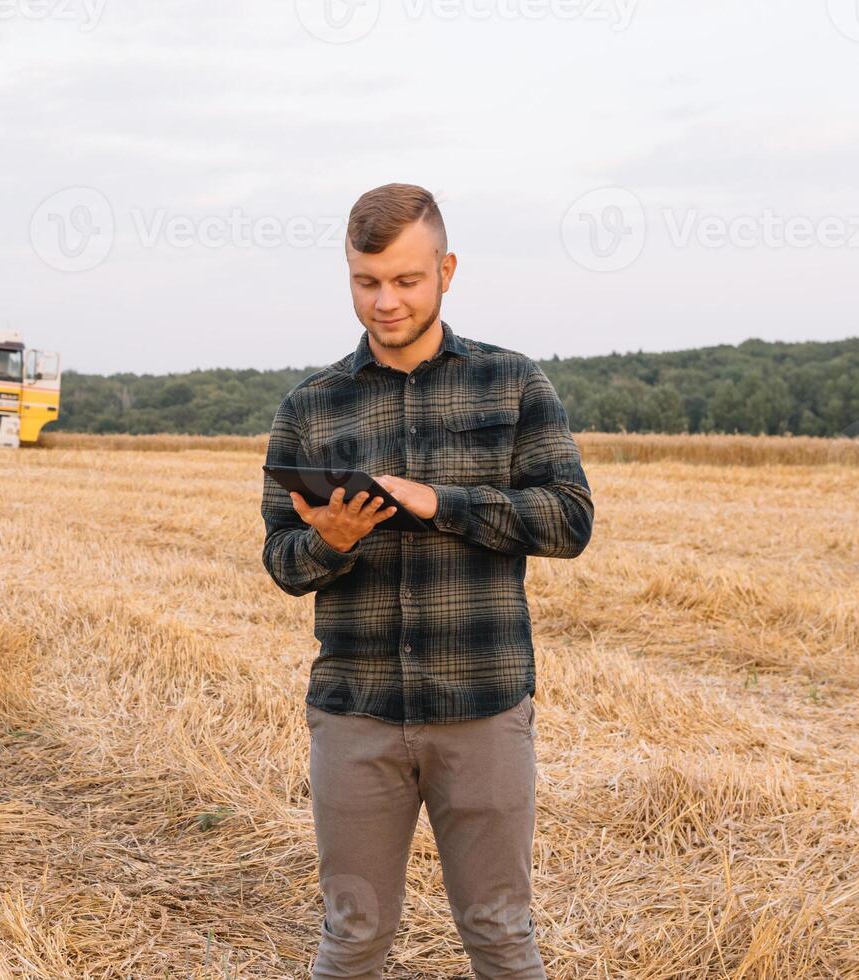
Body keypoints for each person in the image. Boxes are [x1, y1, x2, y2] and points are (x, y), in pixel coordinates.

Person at [260, 183, 594, 980]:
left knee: (501, 934)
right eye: (365, 282)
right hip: (355, 713)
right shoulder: (309, 406)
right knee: (352, 937)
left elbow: (570, 520)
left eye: (406, 280)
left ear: (446, 270)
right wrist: (329, 542)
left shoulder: (513, 383)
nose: (385, 301)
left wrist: (441, 502)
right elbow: (280, 558)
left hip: (481, 707)